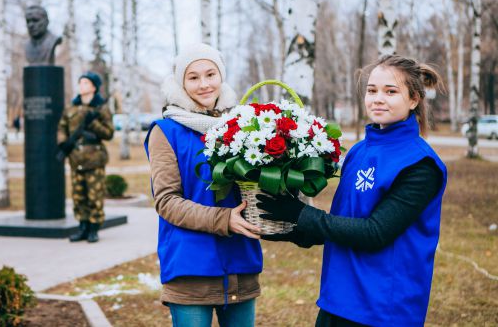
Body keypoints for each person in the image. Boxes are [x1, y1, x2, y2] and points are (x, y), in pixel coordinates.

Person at [257, 55, 447, 327]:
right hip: (337, 299)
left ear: (414, 99)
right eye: (372, 90)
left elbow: (375, 232)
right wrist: (290, 229)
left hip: (383, 308)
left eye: (390, 91)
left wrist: (302, 214)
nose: (378, 99)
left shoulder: (420, 164)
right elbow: (344, 220)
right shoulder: (359, 151)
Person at [144, 43, 263, 327]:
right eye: (193, 77)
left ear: (221, 76)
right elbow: (167, 201)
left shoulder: (242, 125)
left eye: (211, 74)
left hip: (240, 262)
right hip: (191, 268)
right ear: (181, 83)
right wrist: (224, 219)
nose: (204, 84)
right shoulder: (167, 131)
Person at [57, 72, 114, 243]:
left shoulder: (101, 108)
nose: (81, 85)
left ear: (93, 87)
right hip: (76, 158)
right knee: (78, 196)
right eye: (80, 82)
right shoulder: (71, 108)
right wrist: (63, 143)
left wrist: (93, 123)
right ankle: (82, 227)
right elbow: (62, 127)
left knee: (94, 196)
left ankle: (93, 229)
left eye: (85, 82)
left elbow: (109, 133)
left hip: (94, 158)